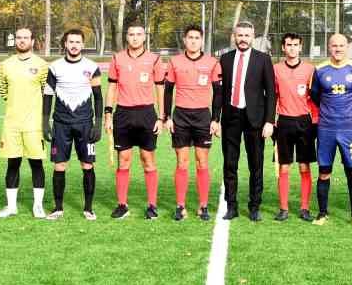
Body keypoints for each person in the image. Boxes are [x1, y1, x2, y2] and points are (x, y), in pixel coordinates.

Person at [105, 22, 167, 220]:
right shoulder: (117, 58)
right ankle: (122, 205)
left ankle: (152, 205)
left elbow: (160, 89)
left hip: (147, 114)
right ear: (127, 37)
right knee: (124, 161)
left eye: (139, 34)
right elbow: (112, 87)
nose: (134, 38)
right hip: (122, 114)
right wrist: (108, 114)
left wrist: (161, 117)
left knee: (148, 160)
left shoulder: (154, 59)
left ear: (144, 37)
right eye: (131, 34)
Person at [163, 24, 223, 221]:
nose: (193, 41)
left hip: (202, 117)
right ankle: (180, 206)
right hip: (180, 116)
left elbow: (218, 94)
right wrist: (167, 117)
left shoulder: (212, 63)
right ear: (184, 40)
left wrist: (215, 119)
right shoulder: (175, 62)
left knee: (202, 162)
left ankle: (203, 206)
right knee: (182, 163)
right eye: (190, 37)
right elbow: (168, 90)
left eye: (197, 38)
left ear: (202, 40)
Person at [218, 20, 276, 222]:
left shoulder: (263, 59)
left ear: (253, 37)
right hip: (231, 117)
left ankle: (254, 206)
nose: (243, 39)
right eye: (239, 35)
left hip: (255, 119)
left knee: (256, 164)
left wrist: (269, 121)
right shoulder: (225, 59)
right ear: (234, 37)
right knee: (230, 164)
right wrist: (216, 118)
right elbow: (219, 92)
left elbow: (271, 93)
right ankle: (231, 206)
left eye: (247, 35)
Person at [43, 27, 103, 220]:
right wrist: (45, 122)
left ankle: (88, 208)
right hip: (61, 123)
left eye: (78, 42)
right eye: (71, 42)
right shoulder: (54, 67)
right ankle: (58, 208)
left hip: (85, 123)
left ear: (83, 45)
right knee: (59, 165)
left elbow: (98, 97)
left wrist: (98, 124)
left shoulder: (92, 67)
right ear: (65, 44)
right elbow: (47, 95)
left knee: (87, 165)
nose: (74, 45)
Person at [309, 32, 352, 225]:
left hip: (350, 130)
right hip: (326, 129)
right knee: (324, 171)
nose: (338, 49)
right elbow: (315, 96)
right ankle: (322, 213)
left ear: (347, 47)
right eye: (334, 46)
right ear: (329, 47)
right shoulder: (320, 70)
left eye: (341, 45)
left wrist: (348, 112)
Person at [0, 26, 50, 218]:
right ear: (15, 40)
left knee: (37, 164)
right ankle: (11, 206)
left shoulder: (42, 65)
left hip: (34, 125)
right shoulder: (6, 65)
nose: (22, 41)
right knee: (13, 164)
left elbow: (47, 91)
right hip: (11, 124)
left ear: (32, 41)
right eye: (18, 37)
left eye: (25, 38)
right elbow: (3, 90)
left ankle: (37, 206)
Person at [271, 33, 317, 222]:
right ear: (283, 47)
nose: (292, 48)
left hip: (304, 123)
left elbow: (314, 99)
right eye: (288, 45)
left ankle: (305, 208)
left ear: (300, 47)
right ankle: (283, 208)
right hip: (283, 122)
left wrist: (315, 122)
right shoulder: (275, 69)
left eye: (295, 45)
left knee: (304, 167)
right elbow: (272, 96)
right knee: (284, 167)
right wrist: (271, 121)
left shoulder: (310, 70)